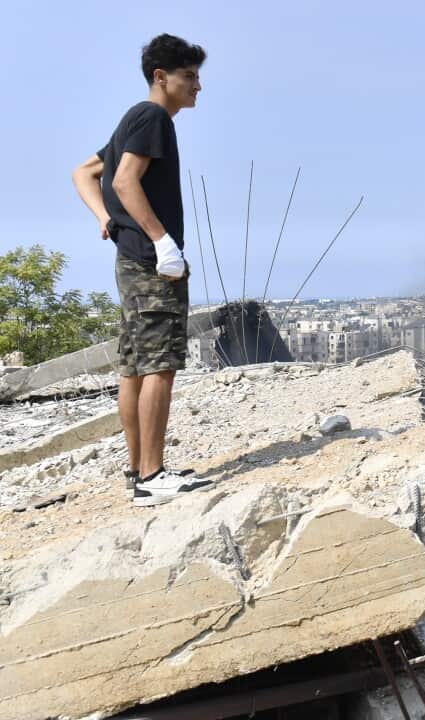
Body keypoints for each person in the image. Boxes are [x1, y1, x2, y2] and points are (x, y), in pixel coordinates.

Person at [71, 34, 214, 507]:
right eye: (189, 76)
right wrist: (162, 240)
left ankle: (138, 470)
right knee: (160, 365)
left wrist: (105, 219)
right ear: (162, 77)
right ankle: (152, 476)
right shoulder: (152, 117)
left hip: (130, 259)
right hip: (151, 262)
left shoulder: (134, 119)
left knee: (134, 367)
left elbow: (85, 173)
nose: (197, 86)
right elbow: (124, 180)